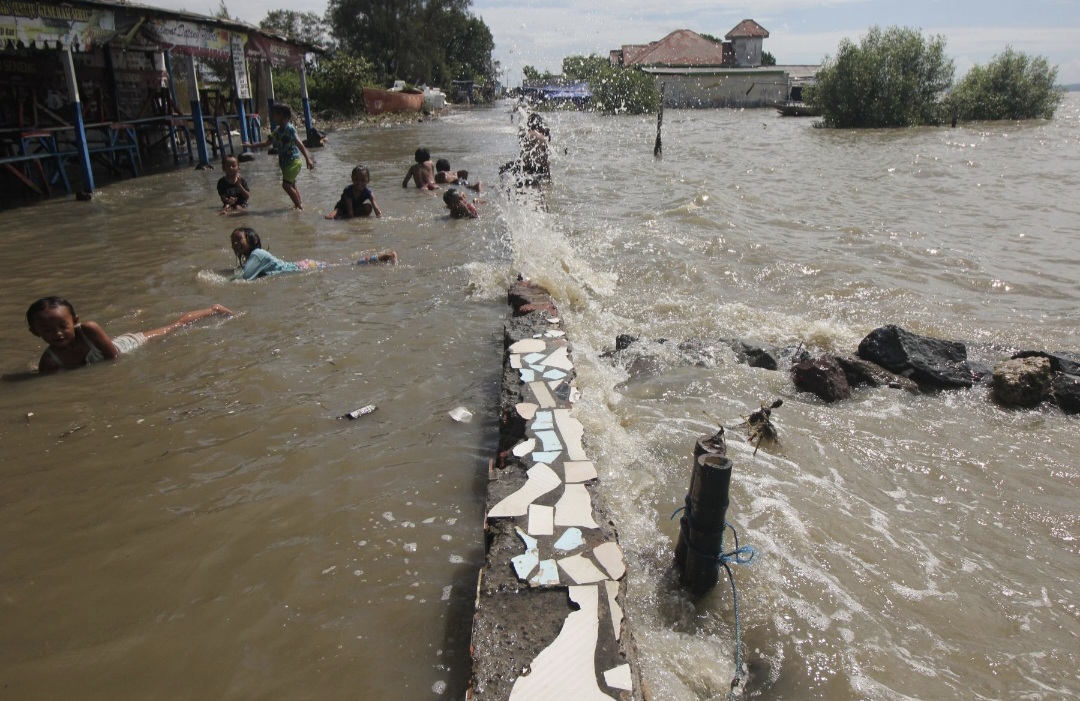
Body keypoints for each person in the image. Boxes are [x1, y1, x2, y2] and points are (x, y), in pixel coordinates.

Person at [25, 296, 232, 373]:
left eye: (63, 326)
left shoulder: (88, 329)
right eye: (47, 330)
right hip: (113, 349)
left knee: (174, 327)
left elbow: (114, 357)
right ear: (35, 332)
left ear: (75, 321)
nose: (57, 334)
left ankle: (213, 310)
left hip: (128, 345)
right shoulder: (49, 362)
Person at [230, 227, 397, 281]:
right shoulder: (255, 256)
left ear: (252, 240)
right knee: (344, 265)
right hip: (303, 265)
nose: (235, 244)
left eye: (239, 240)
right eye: (233, 241)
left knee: (347, 266)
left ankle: (382, 257)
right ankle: (379, 258)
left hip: (302, 267)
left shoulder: (257, 254)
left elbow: (244, 279)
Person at [242, 103, 314, 210]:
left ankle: (299, 207)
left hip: (293, 161)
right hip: (285, 163)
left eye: (274, 115)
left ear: (281, 115)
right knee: (291, 185)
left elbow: (300, 144)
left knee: (286, 185)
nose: (272, 117)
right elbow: (266, 143)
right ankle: (300, 204)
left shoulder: (290, 129)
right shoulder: (277, 132)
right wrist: (252, 145)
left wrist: (308, 159)